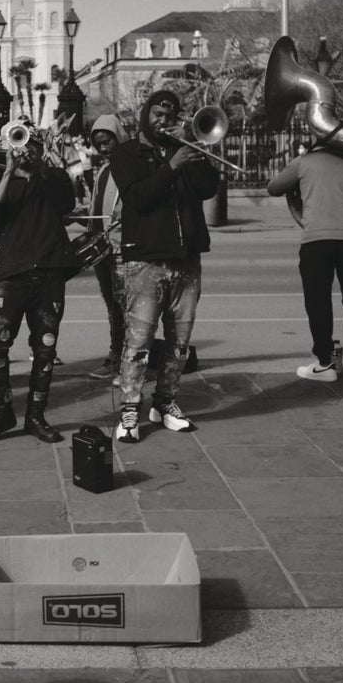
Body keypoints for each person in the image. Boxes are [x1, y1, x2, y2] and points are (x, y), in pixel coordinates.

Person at [109, 89, 220, 442]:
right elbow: (139, 198)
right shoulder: (126, 153)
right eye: (158, 113)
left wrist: (198, 154)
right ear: (145, 115)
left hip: (186, 258)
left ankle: (166, 402)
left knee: (179, 342)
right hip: (145, 259)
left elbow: (208, 189)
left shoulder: (185, 151)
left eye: (170, 115)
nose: (165, 120)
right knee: (138, 341)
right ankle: (129, 409)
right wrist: (172, 166)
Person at [0, 129, 80, 444]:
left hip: (49, 274)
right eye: (21, 143)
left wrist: (42, 168)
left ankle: (36, 415)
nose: (27, 150)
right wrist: (7, 171)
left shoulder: (53, 177)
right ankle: (0, 412)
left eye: (33, 144)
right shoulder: (2, 184)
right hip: (12, 274)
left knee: (45, 347)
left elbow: (66, 203)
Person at [267, 131, 343, 384]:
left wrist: (297, 173)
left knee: (318, 303)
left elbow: (273, 188)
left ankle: (325, 363)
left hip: (317, 240)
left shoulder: (305, 162)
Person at [83, 113, 127, 383]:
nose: (102, 148)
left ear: (118, 137)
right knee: (113, 306)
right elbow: (97, 207)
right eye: (98, 144)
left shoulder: (129, 166)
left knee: (125, 307)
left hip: (122, 250)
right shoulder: (104, 169)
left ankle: (124, 360)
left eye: (107, 141)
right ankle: (115, 355)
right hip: (102, 250)